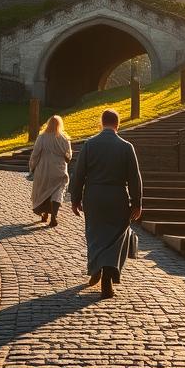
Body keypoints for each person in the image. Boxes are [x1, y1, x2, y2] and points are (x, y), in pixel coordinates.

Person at [70, 109, 143, 298]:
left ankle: (96, 267)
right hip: (117, 196)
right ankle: (107, 277)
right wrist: (137, 202)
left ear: (101, 123)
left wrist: (75, 199)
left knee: (95, 234)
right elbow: (134, 178)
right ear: (118, 124)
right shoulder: (126, 147)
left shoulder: (89, 145)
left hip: (94, 196)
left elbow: (79, 174)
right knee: (116, 237)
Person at [29, 115, 72, 227]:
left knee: (43, 191)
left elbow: (35, 154)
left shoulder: (42, 138)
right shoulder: (64, 138)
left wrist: (32, 167)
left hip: (44, 169)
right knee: (57, 192)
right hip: (59, 170)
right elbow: (68, 157)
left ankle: (44, 214)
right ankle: (54, 216)